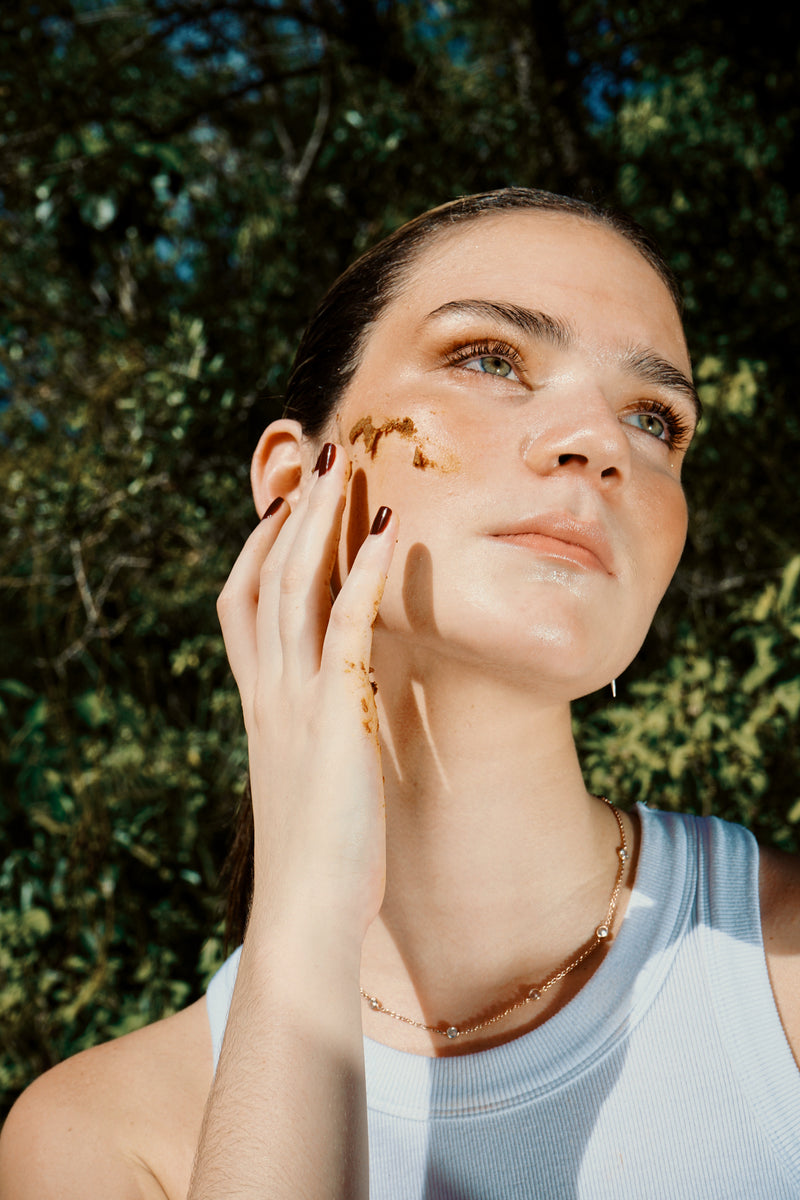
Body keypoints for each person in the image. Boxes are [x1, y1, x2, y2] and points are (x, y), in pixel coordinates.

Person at [2, 187, 800, 1199]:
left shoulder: (781, 969)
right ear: (298, 484)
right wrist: (307, 912)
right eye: (489, 357)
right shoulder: (104, 1136)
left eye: (654, 419)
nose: (600, 443)